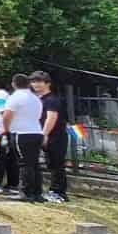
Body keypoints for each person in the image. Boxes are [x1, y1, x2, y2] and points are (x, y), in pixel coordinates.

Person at [1, 74, 44, 203]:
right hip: (36, 132)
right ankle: (37, 193)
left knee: (24, 164)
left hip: (22, 133)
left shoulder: (15, 97)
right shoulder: (35, 98)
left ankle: (25, 192)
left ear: (14, 84)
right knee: (34, 164)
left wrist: (6, 129)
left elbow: (7, 115)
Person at [30, 70, 69, 203]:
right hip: (41, 134)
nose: (36, 85)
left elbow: (51, 118)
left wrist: (44, 134)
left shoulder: (52, 99)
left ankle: (59, 193)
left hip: (55, 136)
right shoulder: (37, 99)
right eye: (33, 82)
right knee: (49, 163)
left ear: (48, 84)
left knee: (57, 165)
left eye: (39, 82)